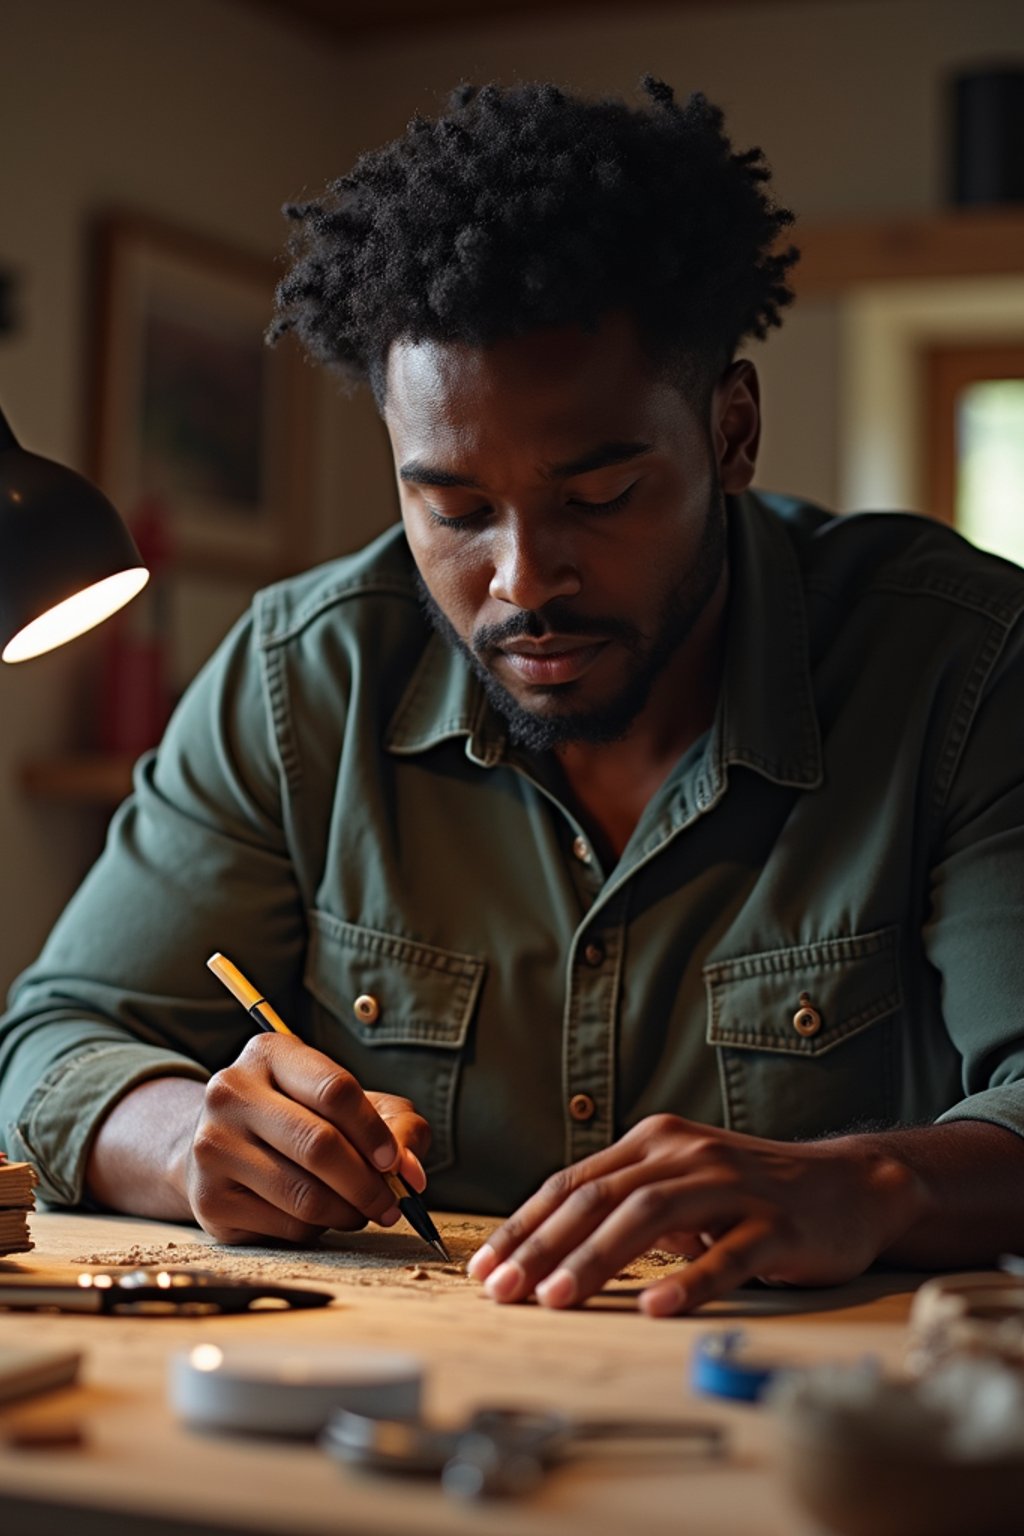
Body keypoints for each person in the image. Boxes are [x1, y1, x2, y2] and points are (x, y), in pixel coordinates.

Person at [3, 79, 1024, 1319]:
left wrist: (873, 1180)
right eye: (456, 510)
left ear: (732, 430)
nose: (524, 580)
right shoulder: (300, 676)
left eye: (598, 498)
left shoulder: (961, 668)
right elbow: (56, 1039)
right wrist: (181, 1142)